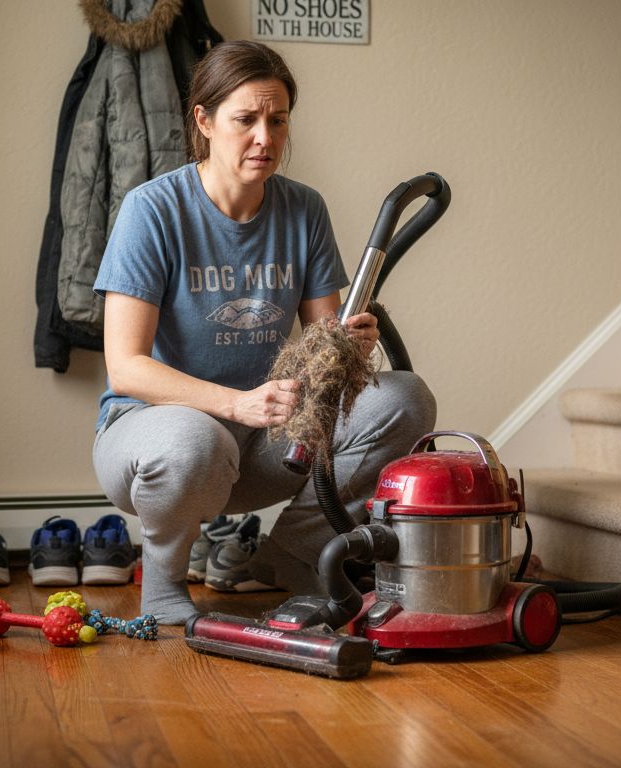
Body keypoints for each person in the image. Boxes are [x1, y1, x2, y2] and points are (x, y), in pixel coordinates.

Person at [91, 40, 436, 624]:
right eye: (245, 120)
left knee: (404, 398)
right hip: (159, 440)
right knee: (195, 441)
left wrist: (349, 343)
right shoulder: (151, 210)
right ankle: (165, 584)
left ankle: (289, 556)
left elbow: (322, 346)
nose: (265, 138)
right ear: (203, 120)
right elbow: (126, 367)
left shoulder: (304, 209)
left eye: (277, 120)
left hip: (266, 439)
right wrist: (237, 404)